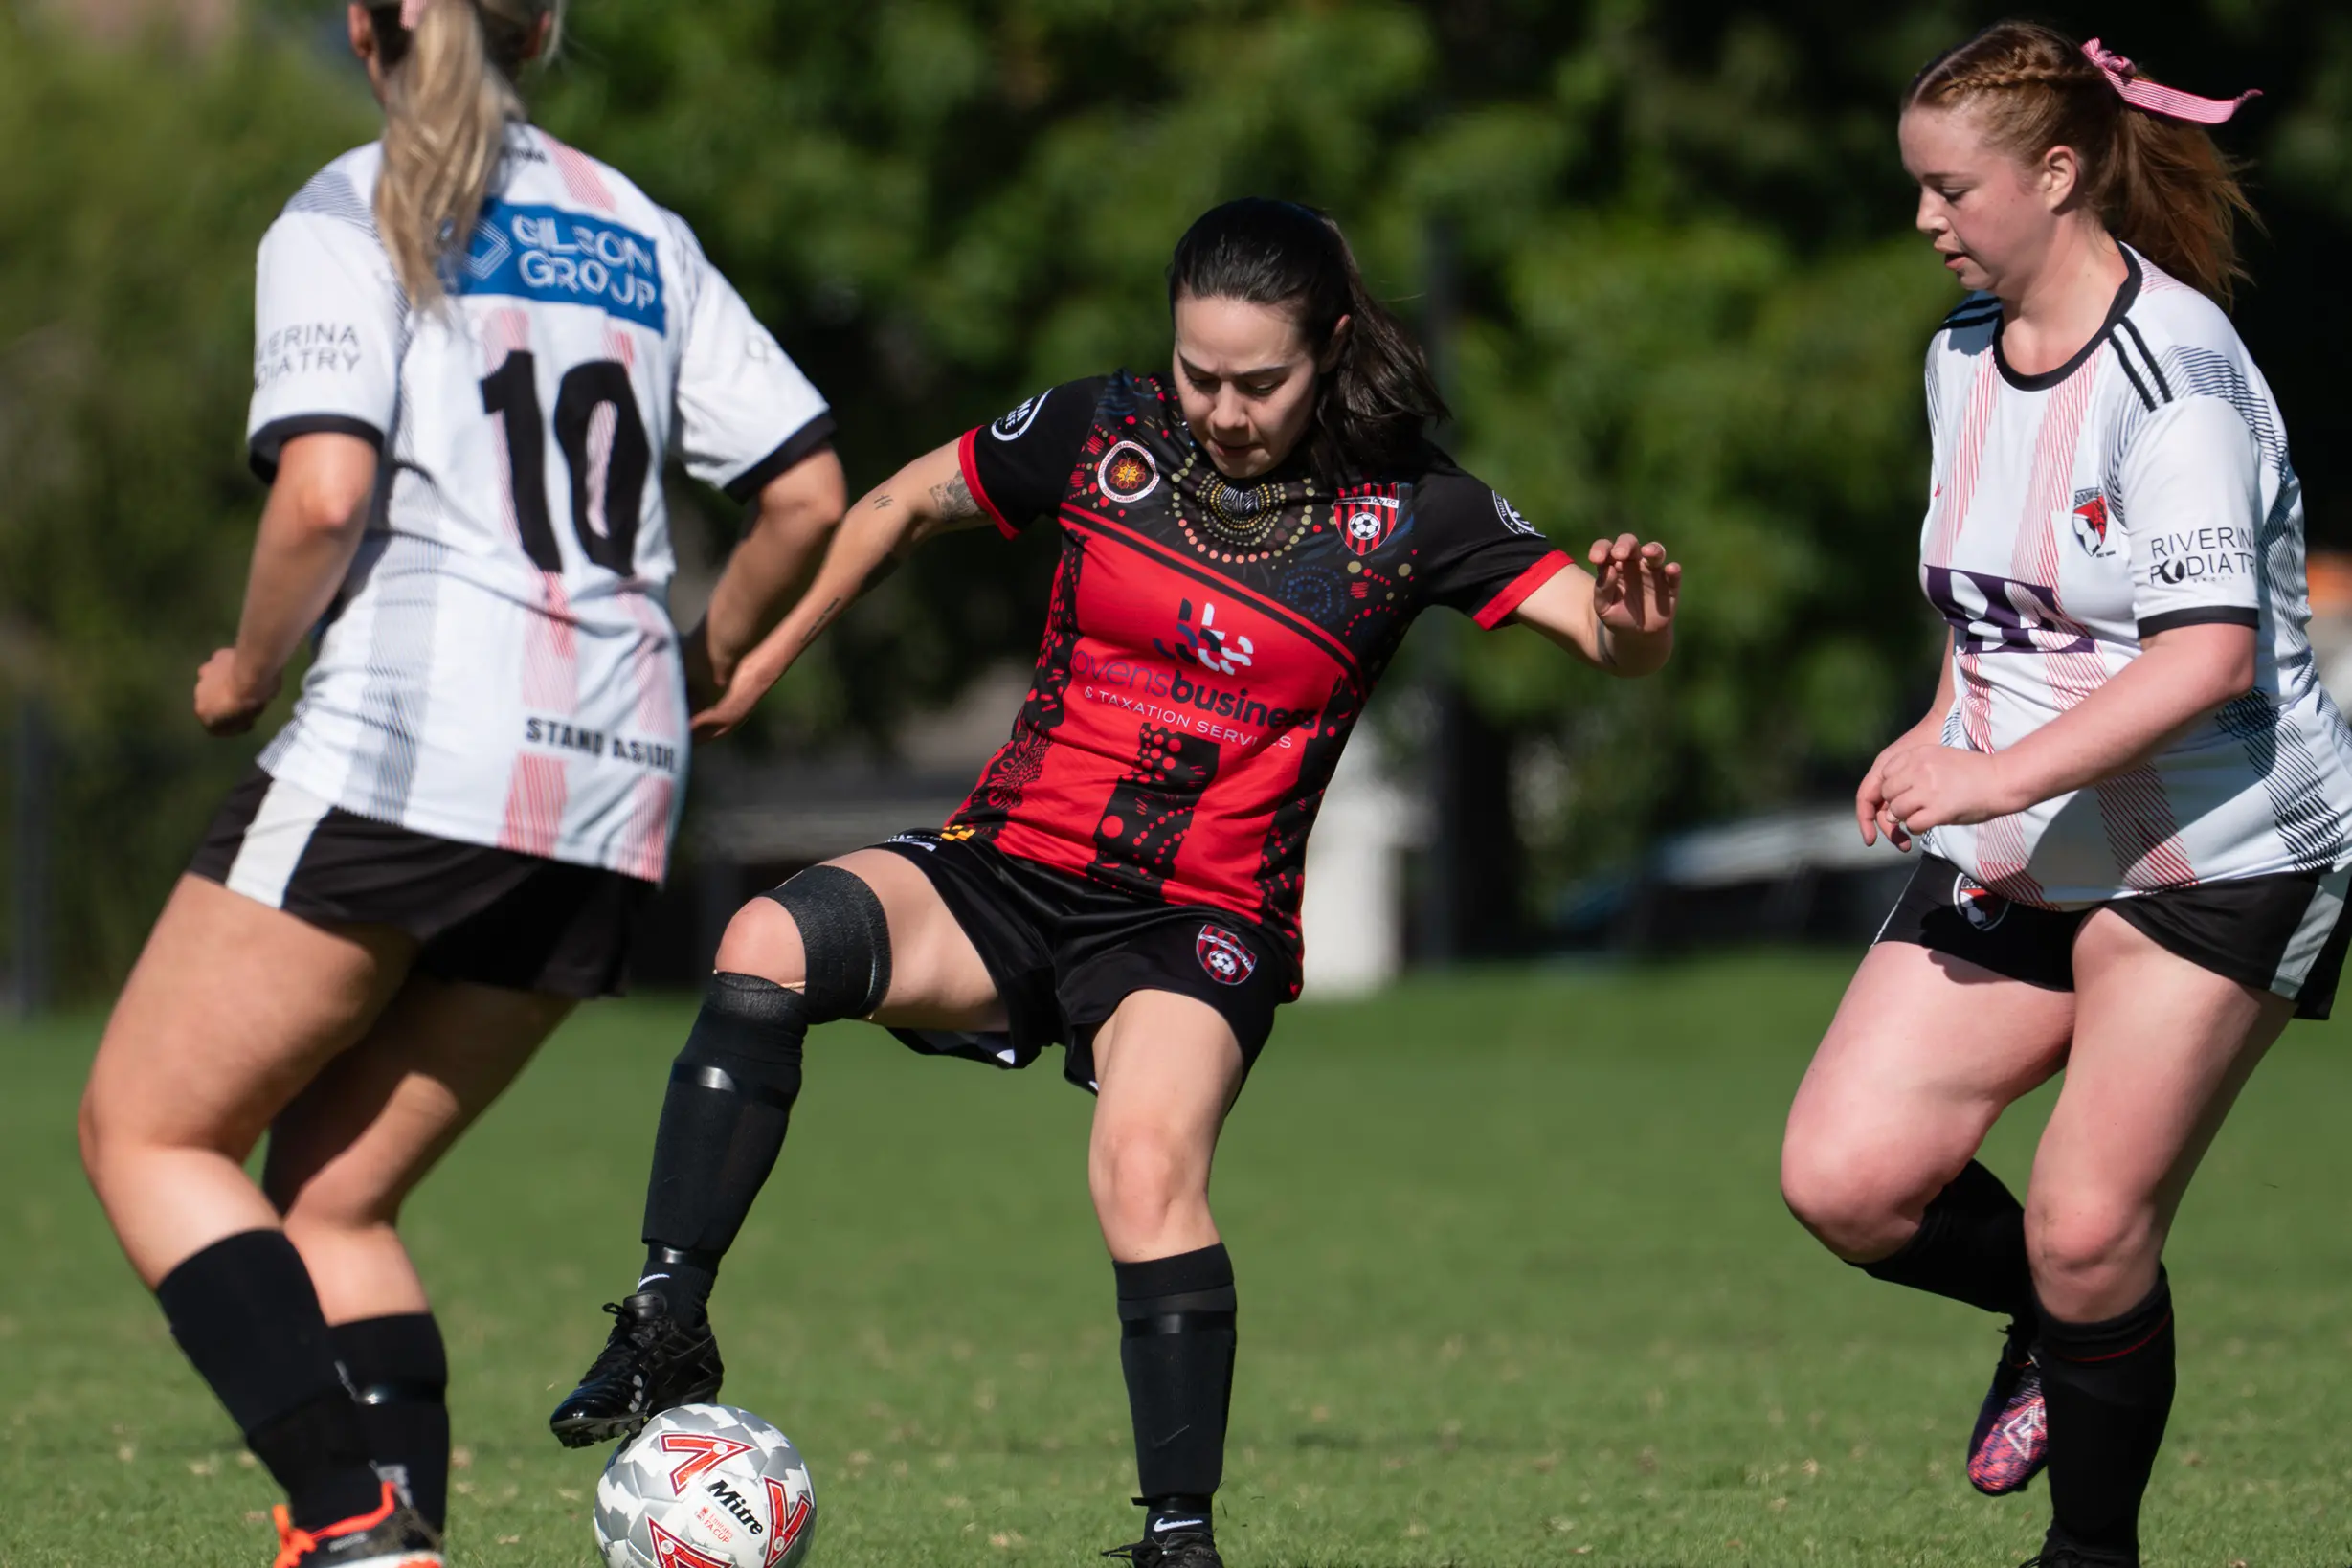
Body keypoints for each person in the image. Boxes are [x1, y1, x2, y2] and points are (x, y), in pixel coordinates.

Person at [546, 196, 1682, 1565]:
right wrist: (760, 657)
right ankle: (668, 1318)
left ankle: (1178, 1536)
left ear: (1330, 346)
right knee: (768, 941)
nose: (1223, 410)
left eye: (1260, 382)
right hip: (1010, 870)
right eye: (1199, 374)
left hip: (1200, 921)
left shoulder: (1414, 510)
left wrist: (1632, 627)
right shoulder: (1104, 431)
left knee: (1144, 1164)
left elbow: (1600, 633)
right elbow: (898, 501)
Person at [75, 3, 844, 1564]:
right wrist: (704, 660)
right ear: (540, 28)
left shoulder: (351, 206)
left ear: (366, 27)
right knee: (334, 1199)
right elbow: (810, 491)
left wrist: (244, 669)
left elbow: (325, 491)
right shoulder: (636, 230)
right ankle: (399, 1542)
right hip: (616, 773)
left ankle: (349, 1518)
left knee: (149, 1134)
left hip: (419, 742)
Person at [1778, 22, 2350, 1568]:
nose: (1925, 220)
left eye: (1950, 189)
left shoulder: (2179, 375)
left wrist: (1990, 773)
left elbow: (2206, 659)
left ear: (2054, 172)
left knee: (2090, 1226)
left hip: (2221, 842)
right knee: (1848, 1178)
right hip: (2037, 825)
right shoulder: (1960, 355)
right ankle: (2059, 1320)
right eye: (1917, 188)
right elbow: (2000, 605)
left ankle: (2090, 1546)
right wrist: (1935, 730)